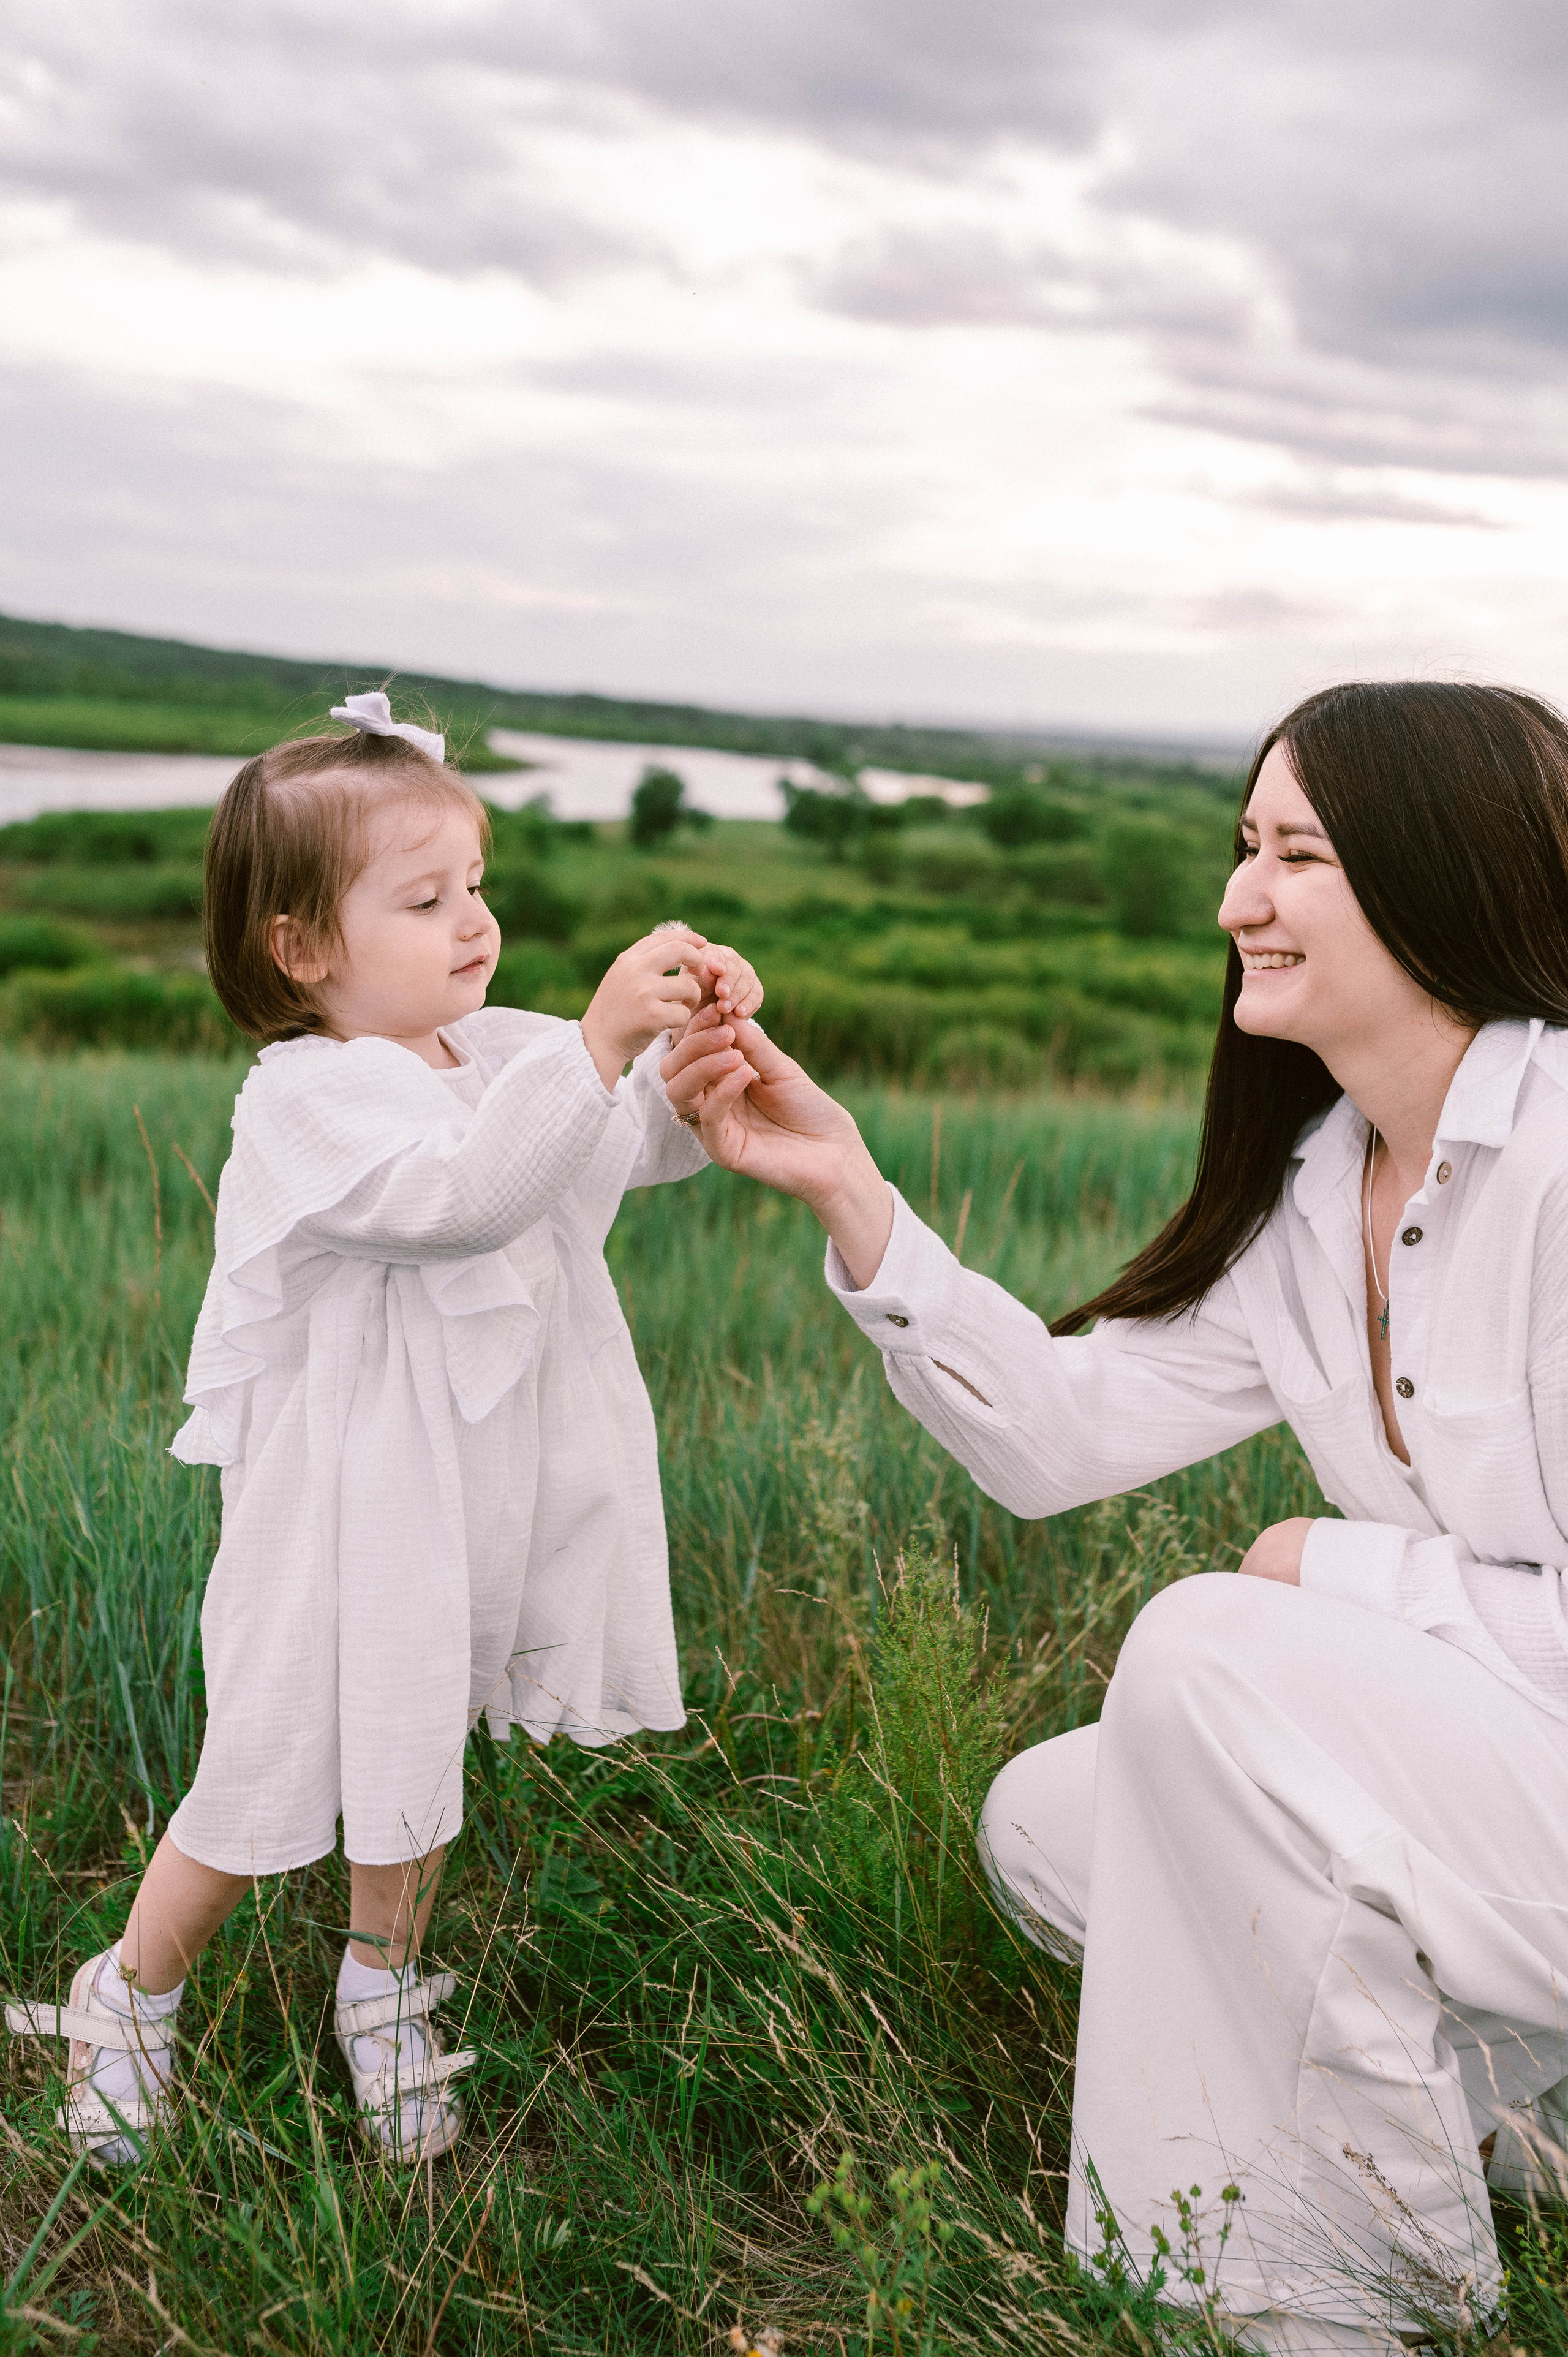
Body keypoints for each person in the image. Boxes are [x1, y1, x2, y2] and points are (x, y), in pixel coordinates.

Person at [658, 679, 1568, 2356]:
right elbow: (1059, 1436)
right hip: (1518, 1793)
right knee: (1057, 1821)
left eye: (1299, 855)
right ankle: (1488, 2150)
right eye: (1245, 847)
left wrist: (1332, 1570)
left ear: (1444, 873)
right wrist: (852, 1190)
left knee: (1213, 1651)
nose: (1240, 901)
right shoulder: (1319, 1195)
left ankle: (1320, 2307)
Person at [6, 692, 760, 2168]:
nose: (472, 923)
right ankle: (130, 1996)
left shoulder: (477, 1046)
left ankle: (384, 1985)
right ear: (303, 947)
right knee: (273, 1745)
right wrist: (597, 1041)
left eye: (476, 885)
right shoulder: (307, 1096)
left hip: (457, 1482)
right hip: (337, 1494)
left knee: (419, 1737)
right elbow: (465, 1197)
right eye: (424, 899)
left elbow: (600, 1141)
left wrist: (689, 1051)